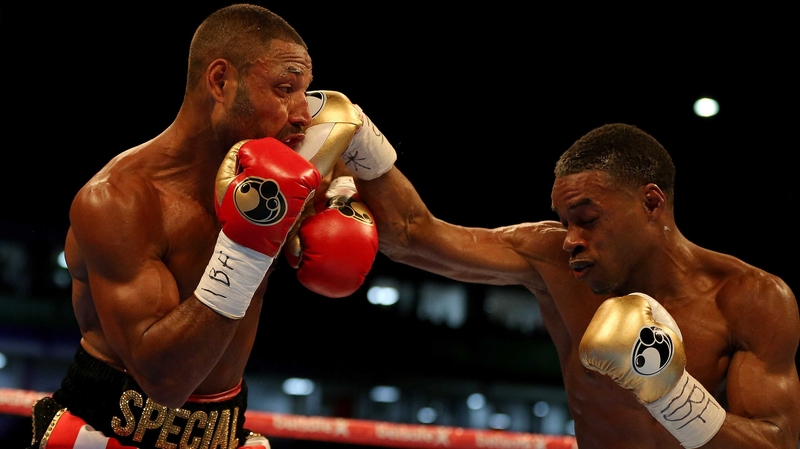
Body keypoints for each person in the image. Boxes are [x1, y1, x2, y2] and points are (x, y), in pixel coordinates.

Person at [325, 114, 800, 448]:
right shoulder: (553, 259)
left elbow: (776, 443)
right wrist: (359, 143)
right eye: (564, 221)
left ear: (652, 204)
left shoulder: (750, 298)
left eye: (587, 219)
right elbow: (412, 235)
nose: (571, 239)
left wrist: (674, 394)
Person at [25, 6, 382, 449]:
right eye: (284, 89)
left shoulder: (292, 173)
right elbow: (166, 384)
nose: (302, 114)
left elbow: (415, 231)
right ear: (220, 82)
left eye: (303, 93)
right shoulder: (120, 198)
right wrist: (249, 246)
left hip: (224, 432)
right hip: (108, 430)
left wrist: (497, 255)